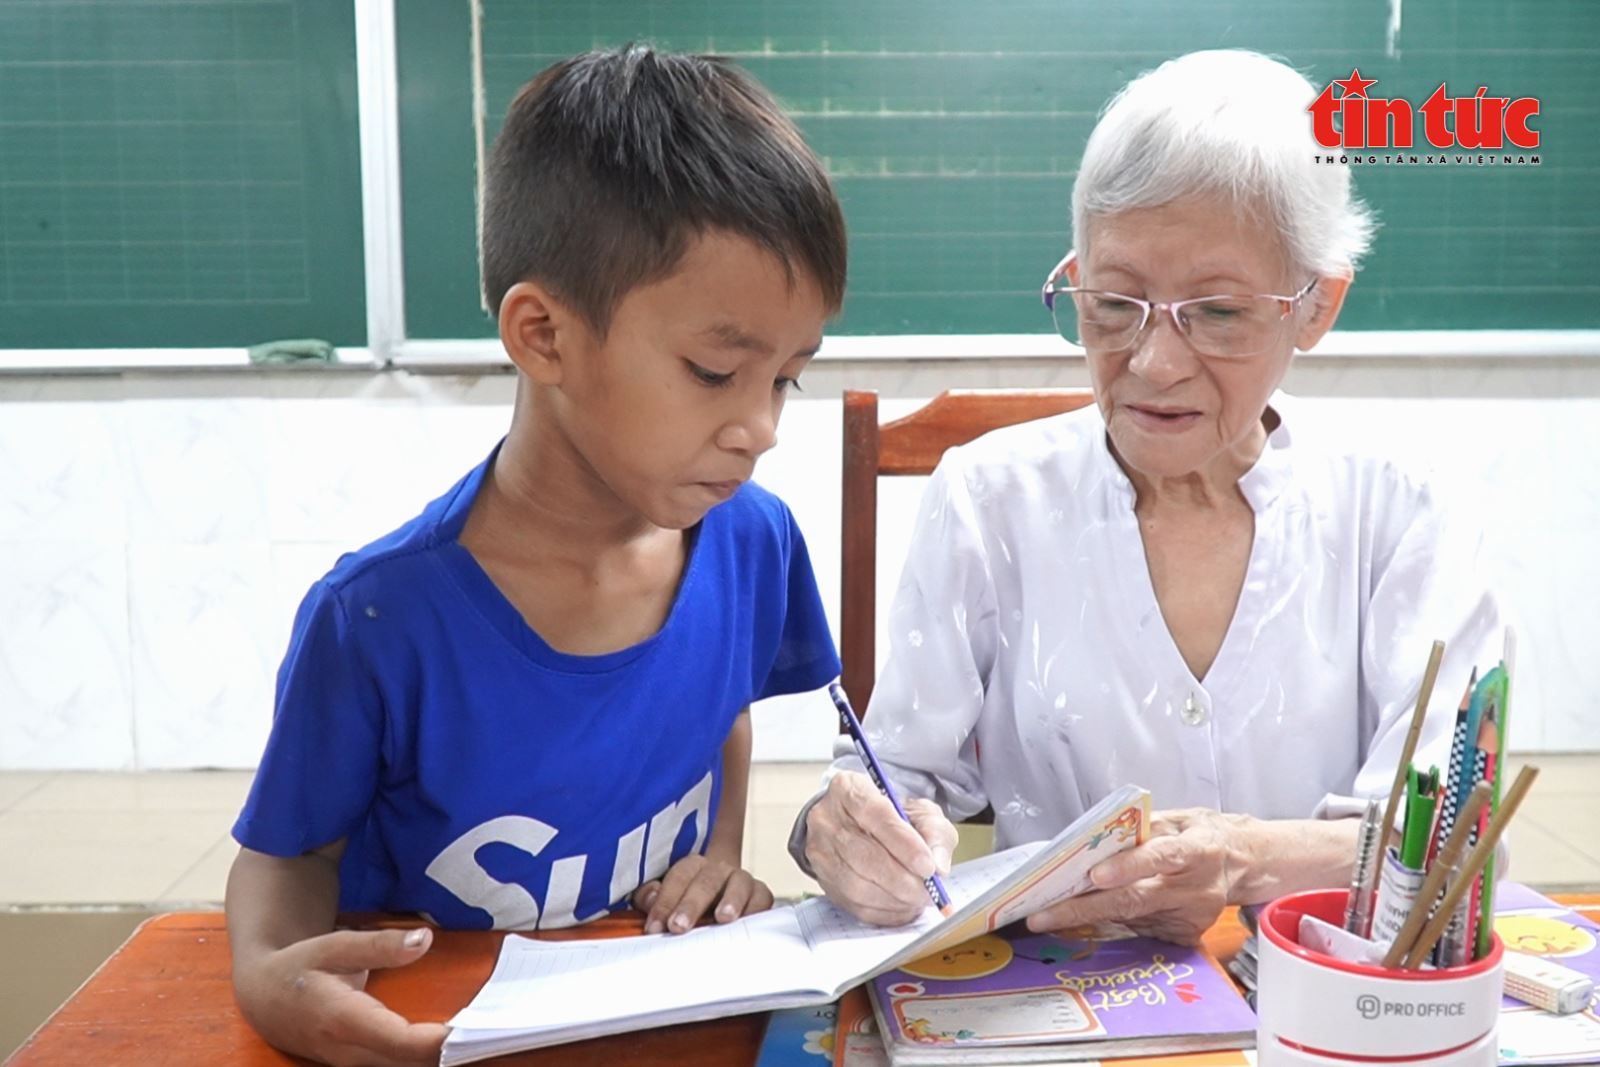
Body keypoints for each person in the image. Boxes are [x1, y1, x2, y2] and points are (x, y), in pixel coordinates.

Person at [793, 49, 1503, 945]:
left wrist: (1243, 856)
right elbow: (896, 778)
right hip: (1053, 997)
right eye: (1113, 303)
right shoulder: (989, 498)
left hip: (1316, 995)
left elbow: (1455, 833)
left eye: (1219, 312)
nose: (1154, 362)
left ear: (1315, 306)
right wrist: (845, 834)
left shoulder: (1404, 514)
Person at [226, 46, 846, 1066]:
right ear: (544, 335)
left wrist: (720, 853)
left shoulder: (752, 536)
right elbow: (288, 858)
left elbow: (722, 704)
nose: (760, 426)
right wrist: (264, 972)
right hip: (439, 1025)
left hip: (653, 1017)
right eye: (716, 370)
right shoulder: (378, 619)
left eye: (786, 379)